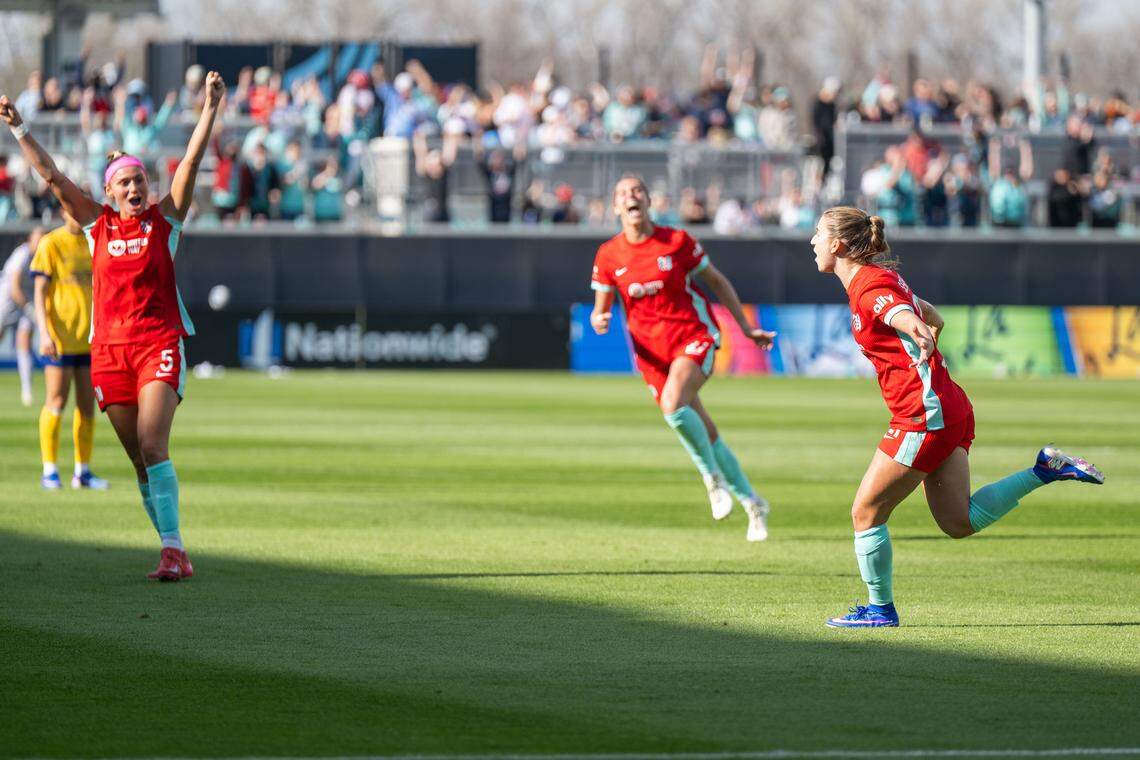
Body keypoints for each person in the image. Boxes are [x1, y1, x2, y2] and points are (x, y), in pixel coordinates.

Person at [808, 207, 1104, 628]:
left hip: (922, 415)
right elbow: (927, 314)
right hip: (949, 407)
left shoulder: (870, 286)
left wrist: (918, 331)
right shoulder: (878, 280)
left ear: (837, 244)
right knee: (958, 522)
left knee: (865, 513)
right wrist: (924, 328)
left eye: (818, 234)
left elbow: (905, 316)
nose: (812, 242)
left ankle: (879, 610)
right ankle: (1044, 470)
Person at [1, 70, 226, 581]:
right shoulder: (95, 226)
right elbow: (53, 177)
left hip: (158, 344)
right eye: (124, 181)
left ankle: (170, 549)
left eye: (139, 180)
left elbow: (189, 162)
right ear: (109, 190)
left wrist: (210, 107)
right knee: (141, 465)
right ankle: (176, 549)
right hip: (108, 353)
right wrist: (19, 129)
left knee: (153, 443)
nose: (134, 186)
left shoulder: (165, 221)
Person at [590, 175, 776, 541]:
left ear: (648, 200)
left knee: (674, 405)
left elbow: (717, 282)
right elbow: (602, 307)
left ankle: (711, 478)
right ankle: (753, 502)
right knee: (702, 427)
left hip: (694, 336)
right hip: (652, 356)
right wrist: (599, 318)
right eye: (623, 194)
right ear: (615, 207)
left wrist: (745, 327)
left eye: (637, 191)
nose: (631, 197)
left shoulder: (676, 242)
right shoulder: (609, 255)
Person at [30, 212, 107, 490]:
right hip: (60, 339)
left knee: (87, 406)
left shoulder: (94, 242)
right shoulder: (51, 243)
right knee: (57, 400)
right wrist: (45, 331)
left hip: (89, 338)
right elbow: (39, 291)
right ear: (63, 211)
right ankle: (49, 469)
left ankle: (82, 471)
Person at [0, 227, 42, 406]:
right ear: (29, 239)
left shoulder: (43, 256)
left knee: (24, 340)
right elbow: (15, 286)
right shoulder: (22, 254)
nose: (41, 242)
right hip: (9, 298)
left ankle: (27, 390)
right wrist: (29, 308)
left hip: (27, 299)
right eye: (38, 238)